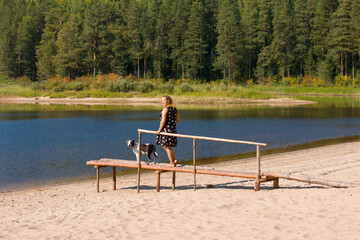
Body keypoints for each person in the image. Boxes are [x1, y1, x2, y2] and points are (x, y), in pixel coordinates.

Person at [156, 95, 181, 166]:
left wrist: (159, 130)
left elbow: (163, 121)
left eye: (164, 100)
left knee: (166, 147)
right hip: (172, 129)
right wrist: (172, 124)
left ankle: (171, 163)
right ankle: (174, 160)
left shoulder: (165, 109)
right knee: (167, 146)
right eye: (162, 101)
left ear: (168, 101)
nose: (162, 102)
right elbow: (179, 119)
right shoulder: (174, 108)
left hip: (165, 130)